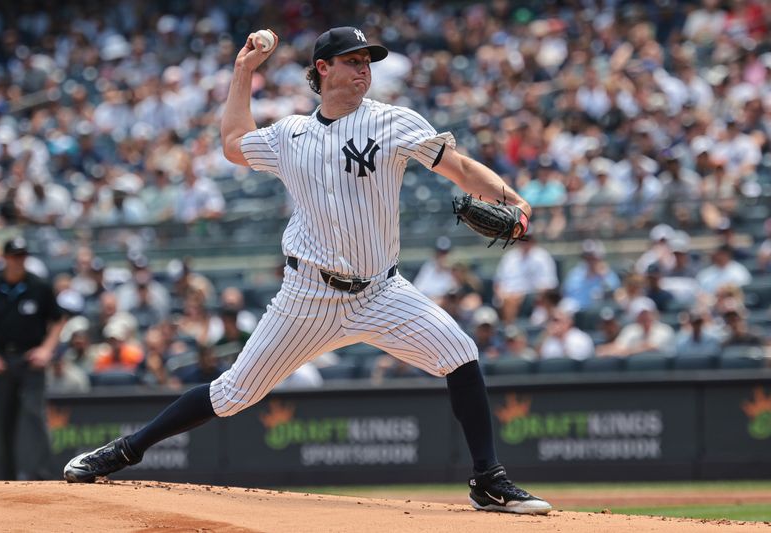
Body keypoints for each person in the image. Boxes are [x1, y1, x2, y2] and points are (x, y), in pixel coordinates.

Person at [63, 27, 551, 515]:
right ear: (324, 68)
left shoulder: (395, 122)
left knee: (461, 352)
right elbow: (234, 143)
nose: (365, 69)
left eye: (368, 61)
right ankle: (125, 450)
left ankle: (488, 479)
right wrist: (243, 71)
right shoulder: (289, 134)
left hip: (381, 291)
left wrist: (513, 201)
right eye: (353, 60)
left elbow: (462, 170)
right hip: (307, 295)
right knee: (233, 393)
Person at [0, 237, 64, 479]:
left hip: (31, 360)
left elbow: (58, 320)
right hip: (1, 361)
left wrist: (46, 349)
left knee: (35, 417)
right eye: (14, 256)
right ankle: (5, 479)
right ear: (5, 258)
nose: (18, 261)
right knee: (3, 421)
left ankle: (43, 476)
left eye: (22, 256)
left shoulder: (40, 286)